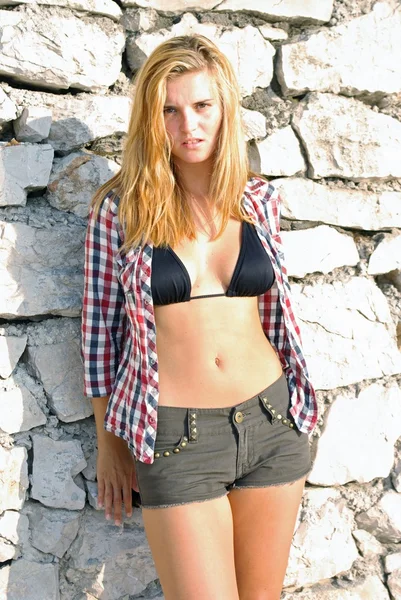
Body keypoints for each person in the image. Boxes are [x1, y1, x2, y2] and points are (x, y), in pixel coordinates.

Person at [81, 34, 317, 600]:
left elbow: (274, 315)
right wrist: (110, 443)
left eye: (202, 105)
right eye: (170, 109)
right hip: (176, 439)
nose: (189, 124)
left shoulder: (256, 198)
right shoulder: (119, 210)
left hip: (272, 421)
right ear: (151, 118)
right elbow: (98, 336)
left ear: (224, 108)